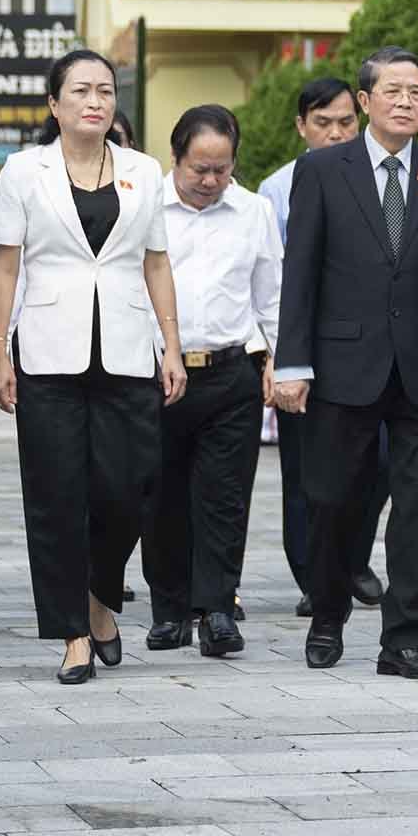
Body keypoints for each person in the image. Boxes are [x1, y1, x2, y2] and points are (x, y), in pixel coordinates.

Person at [273, 48, 418, 679]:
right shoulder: (323, 170)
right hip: (342, 366)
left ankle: (405, 640)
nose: (406, 102)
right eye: (392, 91)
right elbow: (300, 272)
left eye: (417, 92)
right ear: (364, 101)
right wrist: (292, 362)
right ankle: (329, 611)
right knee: (335, 499)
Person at [0, 49, 185, 683]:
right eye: (80, 91)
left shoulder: (144, 170)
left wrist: (171, 346)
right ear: (54, 104)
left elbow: (156, 261)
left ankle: (103, 595)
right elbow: (7, 264)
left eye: (104, 90)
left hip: (128, 348)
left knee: (127, 490)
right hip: (47, 350)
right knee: (55, 495)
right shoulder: (23, 171)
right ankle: (72, 631)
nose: (94, 101)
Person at [142, 104, 279, 655]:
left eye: (221, 169)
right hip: (158, 374)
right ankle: (169, 609)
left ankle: (218, 608)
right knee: (161, 495)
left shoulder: (254, 211)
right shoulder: (147, 205)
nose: (209, 180)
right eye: (199, 168)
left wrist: (279, 360)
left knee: (224, 497)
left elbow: (271, 292)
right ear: (174, 158)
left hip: (230, 373)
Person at [255, 75, 384, 611]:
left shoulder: (383, 175)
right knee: (306, 473)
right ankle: (313, 575)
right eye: (323, 124)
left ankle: (351, 558)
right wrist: (281, 355)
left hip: (370, 350)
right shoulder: (277, 188)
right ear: (301, 126)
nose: (335, 134)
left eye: (345, 123)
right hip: (306, 346)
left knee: (373, 465)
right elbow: (278, 280)